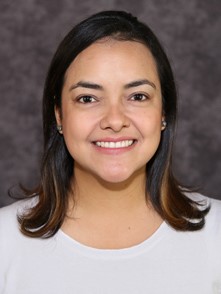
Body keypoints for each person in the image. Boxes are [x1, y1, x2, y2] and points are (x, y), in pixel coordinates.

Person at [0, 10, 220, 294]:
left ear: (164, 112)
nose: (115, 120)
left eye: (138, 96)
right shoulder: (5, 242)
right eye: (88, 98)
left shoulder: (216, 238)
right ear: (59, 115)